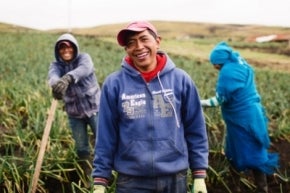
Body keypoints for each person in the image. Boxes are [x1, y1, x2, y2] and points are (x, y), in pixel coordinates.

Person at [92, 21, 209, 193]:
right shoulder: (114, 84)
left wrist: (199, 174)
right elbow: (105, 135)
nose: (138, 47)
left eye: (144, 39)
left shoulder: (181, 80)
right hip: (131, 181)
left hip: (174, 178)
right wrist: (100, 180)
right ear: (126, 49)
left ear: (157, 41)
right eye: (130, 43)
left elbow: (196, 129)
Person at [200, 41, 279, 193]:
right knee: (254, 148)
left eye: (215, 63)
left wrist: (198, 102)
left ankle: (239, 186)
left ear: (220, 62)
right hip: (252, 116)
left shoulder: (228, 72)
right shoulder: (240, 63)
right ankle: (261, 187)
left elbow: (219, 100)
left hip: (242, 120)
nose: (214, 67)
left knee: (239, 150)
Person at [48, 33, 101, 187]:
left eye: (69, 46)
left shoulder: (84, 58)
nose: (66, 50)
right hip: (74, 113)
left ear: (75, 47)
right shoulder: (56, 65)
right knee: (81, 147)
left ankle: (103, 175)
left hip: (95, 109)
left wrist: (68, 78)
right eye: (62, 47)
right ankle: (87, 177)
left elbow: (85, 69)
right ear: (58, 51)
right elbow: (52, 76)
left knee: (102, 141)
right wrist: (56, 85)